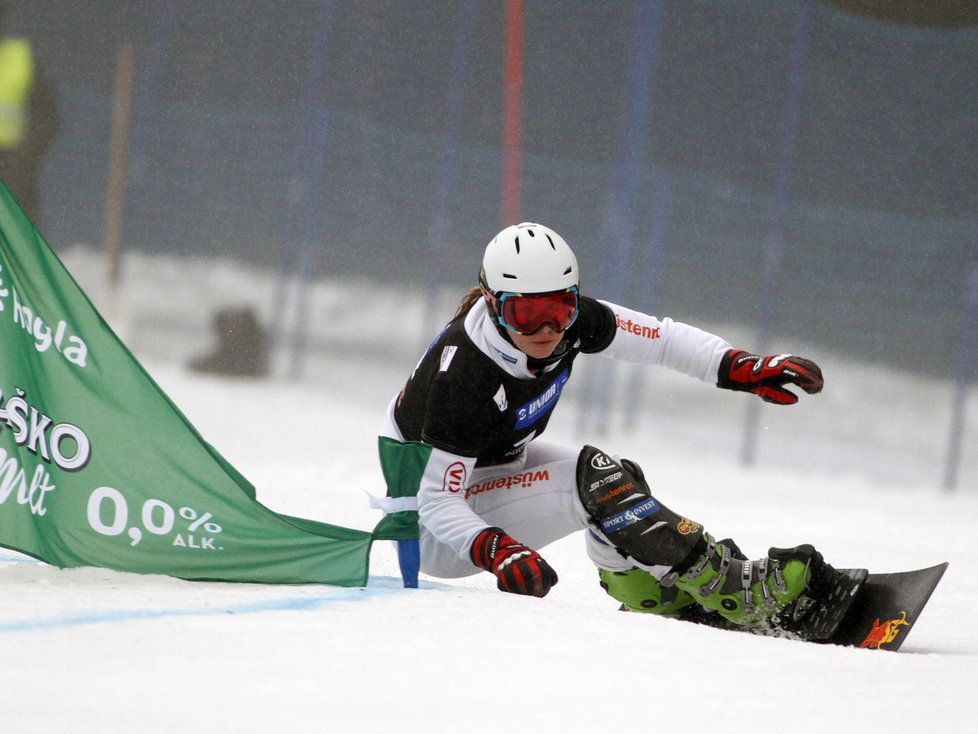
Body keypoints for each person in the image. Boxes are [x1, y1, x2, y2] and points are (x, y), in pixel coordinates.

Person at [378, 222, 847, 637]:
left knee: (620, 479)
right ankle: (732, 591)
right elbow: (437, 499)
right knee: (596, 481)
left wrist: (741, 368)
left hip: (487, 477)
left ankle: (655, 595)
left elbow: (661, 341)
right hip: (432, 530)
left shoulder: (575, 324)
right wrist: (497, 550)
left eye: (561, 308)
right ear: (492, 304)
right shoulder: (464, 376)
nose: (547, 329)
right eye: (524, 313)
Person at [0, 4, 60, 229]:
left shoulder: (19, 59)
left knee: (16, 252)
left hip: (13, 178)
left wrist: (20, 161)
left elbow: (47, 117)